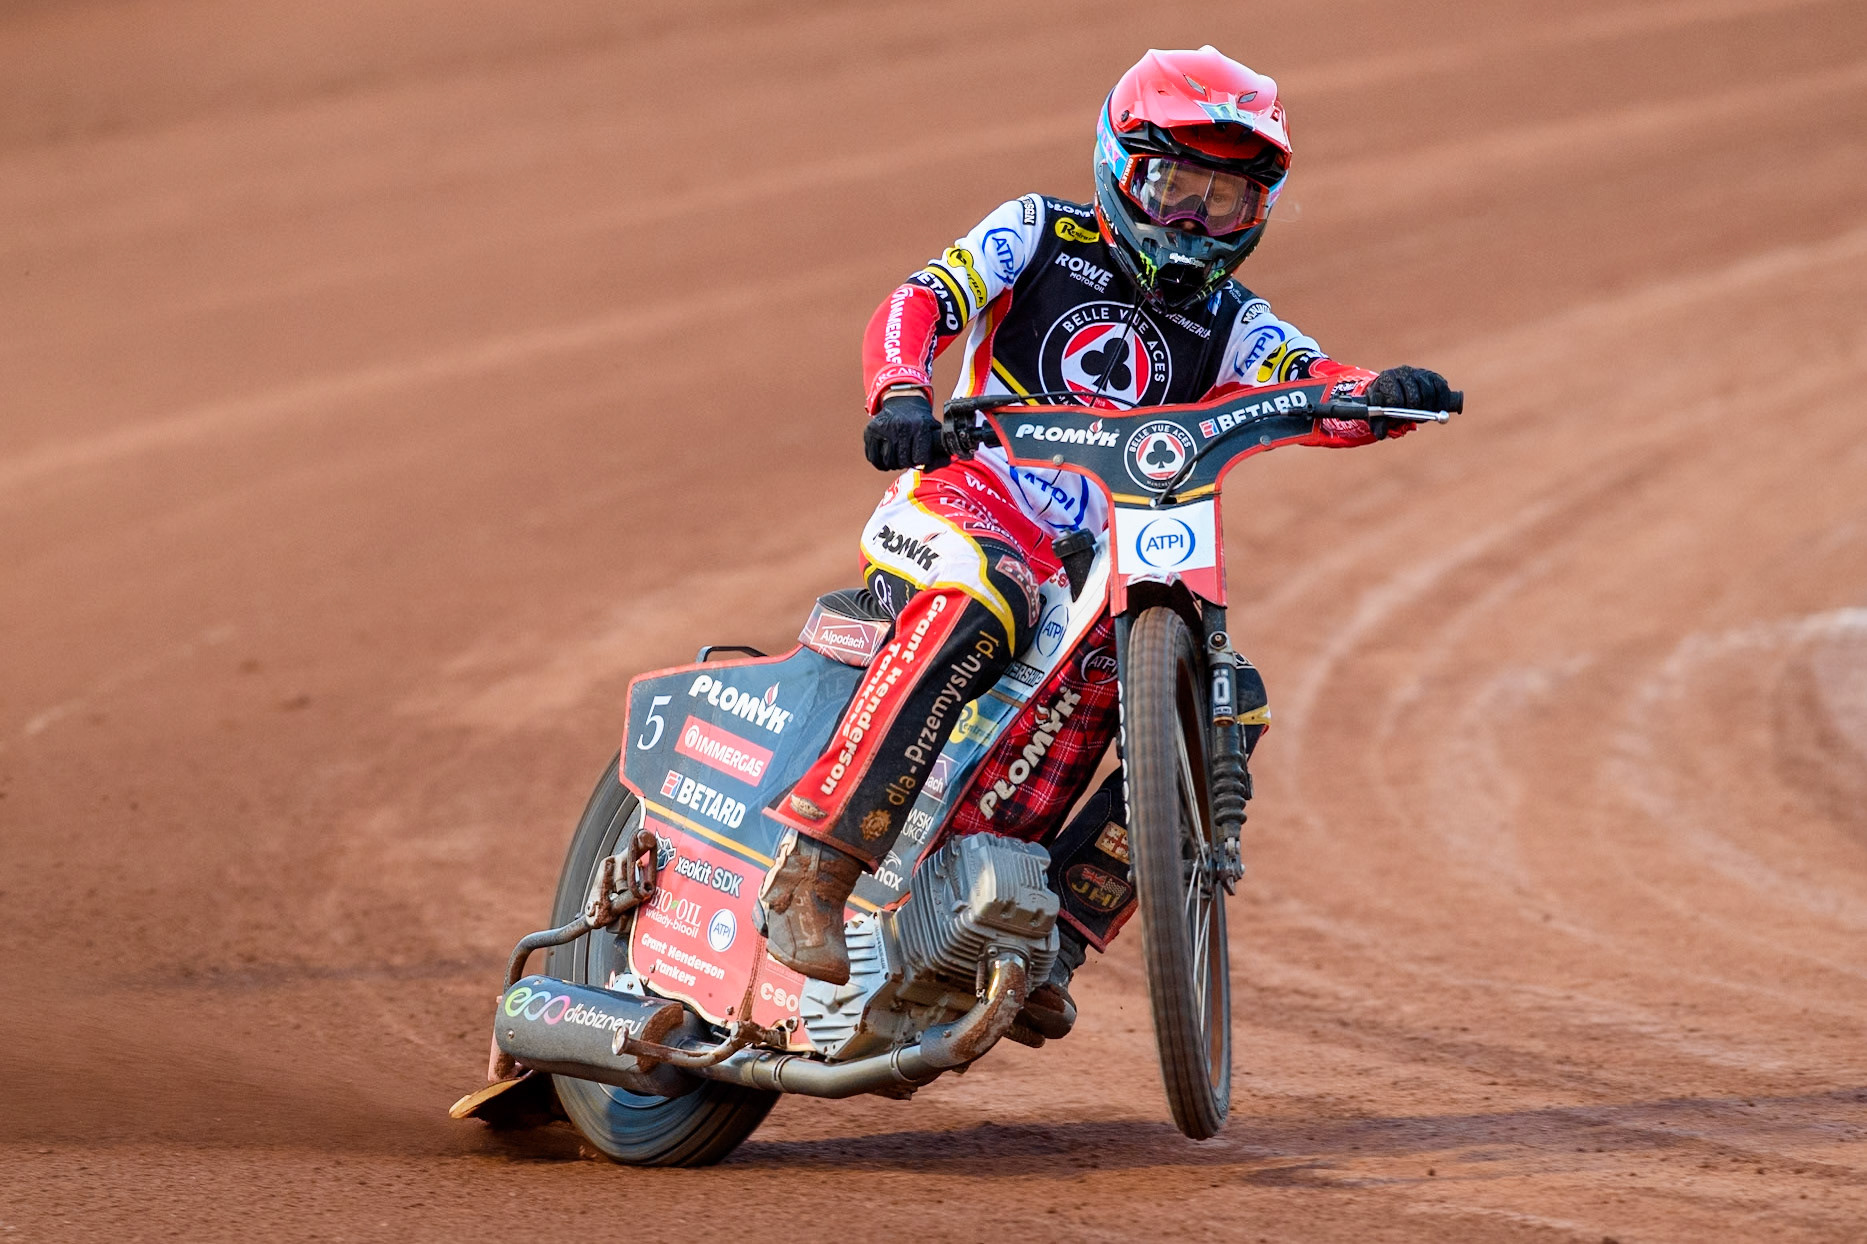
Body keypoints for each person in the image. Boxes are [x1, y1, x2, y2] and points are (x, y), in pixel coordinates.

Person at [758, 46, 1454, 1031]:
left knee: (1224, 699)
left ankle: (1051, 942)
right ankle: (815, 870)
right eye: (1174, 186)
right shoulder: (1037, 233)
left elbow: (1310, 379)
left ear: (1257, 209)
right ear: (1119, 166)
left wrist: (1377, 395)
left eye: (1224, 200)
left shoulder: (1229, 319)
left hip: (1094, 563)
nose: (1194, 221)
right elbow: (918, 302)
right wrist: (903, 390)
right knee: (991, 592)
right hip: (964, 500)